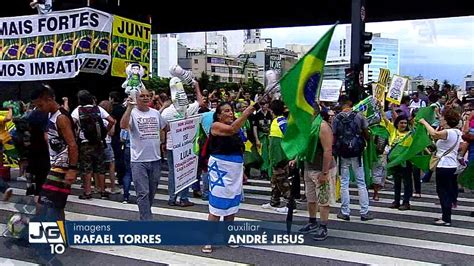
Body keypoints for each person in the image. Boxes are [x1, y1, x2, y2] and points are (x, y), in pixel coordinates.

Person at [201, 102, 256, 253]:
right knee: (217, 205)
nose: (230, 113)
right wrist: (246, 113)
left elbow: (239, 148)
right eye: (226, 111)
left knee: (232, 205)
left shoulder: (236, 127)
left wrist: (241, 170)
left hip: (235, 169)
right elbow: (232, 129)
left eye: (231, 110)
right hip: (220, 169)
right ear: (219, 115)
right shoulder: (216, 126)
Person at [30, 84, 78, 222]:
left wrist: (72, 169)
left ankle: (50, 238)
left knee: (46, 203)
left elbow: (72, 144)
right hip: (56, 165)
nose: (39, 109)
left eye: (40, 105)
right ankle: (60, 239)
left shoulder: (61, 118)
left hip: (61, 167)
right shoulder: (52, 114)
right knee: (55, 206)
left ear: (49, 99)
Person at [120, 87, 168, 220]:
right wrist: (129, 107)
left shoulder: (155, 113)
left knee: (151, 192)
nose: (146, 98)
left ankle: (145, 215)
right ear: (136, 98)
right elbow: (123, 125)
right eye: (142, 96)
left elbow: (165, 127)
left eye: (148, 95)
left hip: (155, 159)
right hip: (138, 161)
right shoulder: (133, 113)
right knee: (143, 193)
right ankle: (147, 222)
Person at [161, 78, 203, 207]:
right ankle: (183, 198)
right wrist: (196, 86)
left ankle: (172, 197)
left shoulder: (166, 112)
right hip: (185, 145)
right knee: (185, 171)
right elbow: (200, 101)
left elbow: (163, 128)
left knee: (173, 172)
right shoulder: (187, 109)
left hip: (171, 145)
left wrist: (163, 142)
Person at [297, 109, 336, 241]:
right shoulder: (306, 125)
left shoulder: (323, 126)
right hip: (309, 167)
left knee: (323, 199)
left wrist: (325, 173)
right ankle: (312, 221)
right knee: (311, 197)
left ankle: (323, 225)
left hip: (322, 168)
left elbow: (328, 150)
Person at [419, 109, 462, 226]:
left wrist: (424, 122)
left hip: (444, 165)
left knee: (443, 192)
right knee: (447, 191)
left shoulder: (449, 132)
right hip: (451, 165)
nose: (440, 120)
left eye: (442, 118)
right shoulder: (457, 132)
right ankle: (445, 215)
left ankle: (446, 218)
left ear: (447, 121)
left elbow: (434, 134)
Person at [333, 100, 373, 221]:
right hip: (357, 152)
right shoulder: (359, 116)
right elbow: (367, 134)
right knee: (361, 182)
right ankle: (364, 212)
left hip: (343, 153)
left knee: (344, 182)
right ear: (351, 105)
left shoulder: (336, 118)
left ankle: (345, 211)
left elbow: (334, 136)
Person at [71, 90, 115, 200]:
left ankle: (88, 192)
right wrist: (104, 132)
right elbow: (112, 121)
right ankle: (102, 190)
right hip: (99, 142)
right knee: (100, 167)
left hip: (85, 143)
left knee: (86, 168)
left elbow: (71, 124)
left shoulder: (78, 110)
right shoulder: (98, 109)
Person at [383, 112, 413, 210]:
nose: (403, 125)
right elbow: (385, 119)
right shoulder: (393, 131)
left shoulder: (410, 134)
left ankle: (406, 202)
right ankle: (396, 201)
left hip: (406, 162)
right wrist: (380, 107)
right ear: (397, 124)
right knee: (397, 182)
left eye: (405, 123)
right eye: (401, 123)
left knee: (407, 183)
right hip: (394, 161)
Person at [267, 100, 289, 207]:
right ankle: (274, 201)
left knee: (281, 180)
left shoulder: (280, 122)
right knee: (275, 180)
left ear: (272, 110)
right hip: (278, 157)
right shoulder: (280, 121)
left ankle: (290, 204)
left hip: (279, 158)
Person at [109, 91, 126, 187]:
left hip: (116, 136)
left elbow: (113, 123)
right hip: (124, 135)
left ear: (112, 98)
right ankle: (122, 177)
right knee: (122, 157)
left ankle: (120, 177)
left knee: (117, 157)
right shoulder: (123, 109)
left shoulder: (113, 110)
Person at [252, 101, 273, 180]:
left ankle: (269, 172)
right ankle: (263, 171)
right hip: (261, 136)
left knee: (269, 154)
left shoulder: (270, 114)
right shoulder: (257, 115)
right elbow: (255, 127)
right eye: (262, 104)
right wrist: (257, 139)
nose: (264, 106)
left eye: (266, 104)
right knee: (262, 154)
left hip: (269, 135)